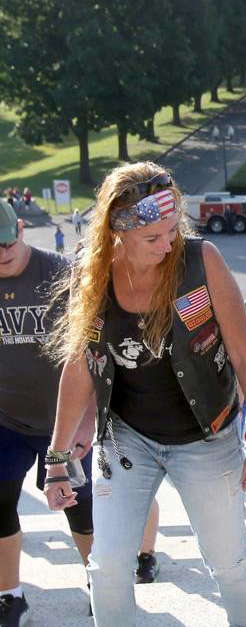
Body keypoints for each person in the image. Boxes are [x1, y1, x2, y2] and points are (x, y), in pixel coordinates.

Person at [41, 162, 246, 627]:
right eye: (153, 238)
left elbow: (244, 353)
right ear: (118, 234)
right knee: (108, 568)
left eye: (172, 231)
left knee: (228, 563)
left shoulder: (200, 259)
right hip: (128, 437)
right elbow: (79, 369)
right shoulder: (93, 279)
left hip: (206, 434)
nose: (168, 243)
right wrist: (56, 459)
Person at [0, 200, 92, 625]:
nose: (2, 252)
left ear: (20, 229)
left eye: (7, 241)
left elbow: (91, 352)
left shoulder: (60, 273)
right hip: (7, 419)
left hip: (64, 420)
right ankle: (9, 595)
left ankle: (100, 582)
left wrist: (87, 420)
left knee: (81, 506)